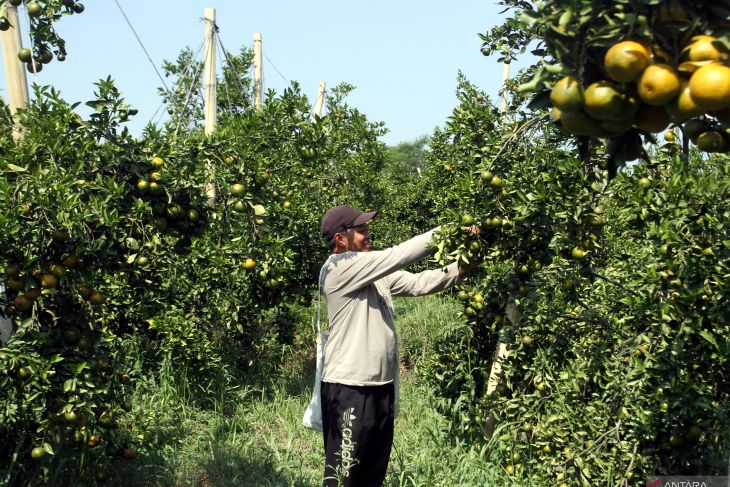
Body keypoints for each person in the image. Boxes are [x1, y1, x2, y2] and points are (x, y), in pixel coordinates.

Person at [318, 204, 477, 486]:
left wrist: (465, 263)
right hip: (350, 388)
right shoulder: (338, 268)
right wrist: (449, 231)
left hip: (381, 387)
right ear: (340, 239)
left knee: (372, 470)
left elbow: (420, 283)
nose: (368, 235)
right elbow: (398, 255)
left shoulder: (371, 272)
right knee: (345, 475)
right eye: (361, 230)